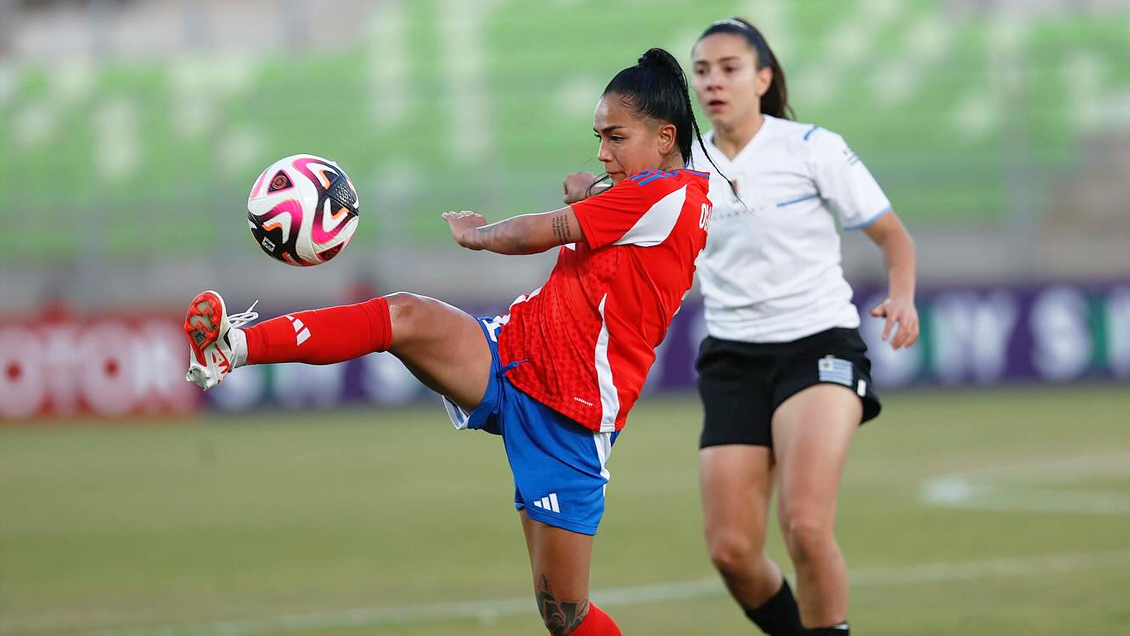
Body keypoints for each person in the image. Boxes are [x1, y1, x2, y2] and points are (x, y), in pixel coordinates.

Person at [183, 48, 715, 636]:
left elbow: (541, 232)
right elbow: (612, 217)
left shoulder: (677, 196)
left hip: (570, 413)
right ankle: (232, 347)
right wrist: (591, 191)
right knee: (404, 316)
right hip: (514, 352)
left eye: (615, 137)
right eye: (598, 136)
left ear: (665, 137)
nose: (601, 152)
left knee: (564, 614)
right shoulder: (649, 196)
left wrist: (479, 234)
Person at [690, 17, 918, 636]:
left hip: (817, 346)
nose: (714, 82)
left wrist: (902, 297)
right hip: (732, 358)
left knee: (806, 526)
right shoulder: (681, 166)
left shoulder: (811, 147)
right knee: (732, 552)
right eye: (703, 71)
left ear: (763, 78)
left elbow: (891, 235)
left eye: (730, 68)